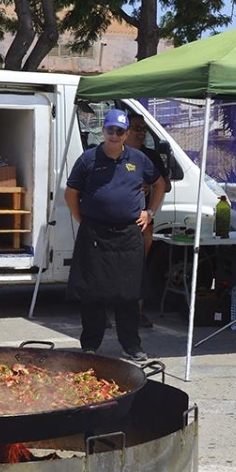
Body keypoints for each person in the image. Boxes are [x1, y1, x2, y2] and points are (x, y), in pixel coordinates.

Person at [65, 109, 163, 362]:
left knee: (129, 294)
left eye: (120, 131)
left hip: (128, 235)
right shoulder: (88, 160)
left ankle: (131, 346)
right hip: (95, 234)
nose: (115, 135)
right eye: (110, 130)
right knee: (92, 293)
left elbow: (160, 183)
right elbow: (71, 193)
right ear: (104, 131)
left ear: (126, 134)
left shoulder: (139, 159)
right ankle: (90, 346)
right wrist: (82, 219)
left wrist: (150, 211)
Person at [124, 112, 171, 328]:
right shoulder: (115, 153)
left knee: (139, 268)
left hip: (142, 223)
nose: (141, 133)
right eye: (137, 128)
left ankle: (137, 313)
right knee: (111, 269)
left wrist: (149, 186)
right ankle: (106, 313)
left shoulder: (150, 156)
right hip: (114, 222)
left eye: (144, 129)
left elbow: (165, 185)